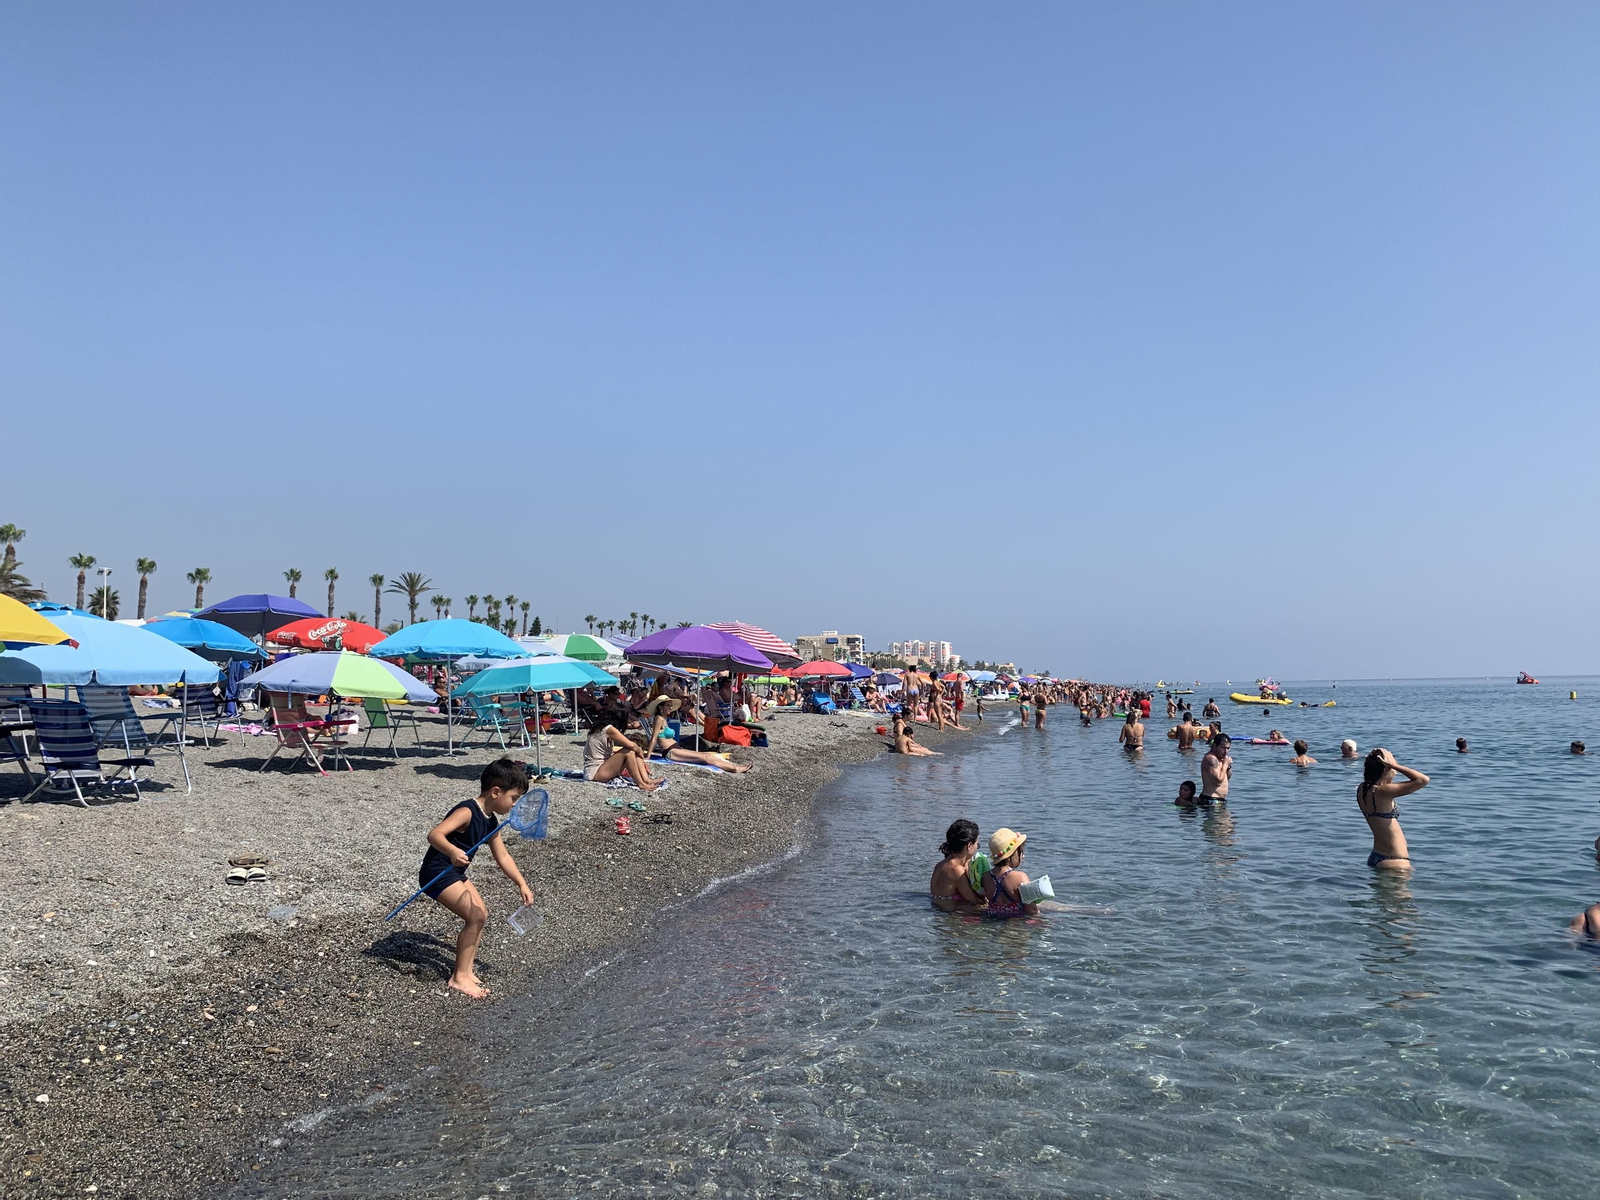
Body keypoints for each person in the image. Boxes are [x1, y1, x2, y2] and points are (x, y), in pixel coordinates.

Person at [419, 757, 537, 999]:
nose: (514, 805)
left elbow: (502, 856)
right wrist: (452, 851)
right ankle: (459, 977)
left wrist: (522, 883)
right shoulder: (467, 811)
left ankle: (467, 970)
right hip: (436, 872)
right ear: (496, 792)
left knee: (482, 914)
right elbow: (435, 834)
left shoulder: (491, 821)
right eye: (514, 798)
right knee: (474, 915)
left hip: (455, 873)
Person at [1356, 747, 1430, 870]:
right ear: (1386, 769)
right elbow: (1423, 780)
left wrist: (1391, 765)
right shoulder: (1383, 791)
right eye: (1393, 769)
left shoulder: (1362, 789)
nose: (1396, 772)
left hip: (1376, 856)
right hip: (1394, 861)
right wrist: (1395, 765)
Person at [583, 721, 662, 791]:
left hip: (600, 769)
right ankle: (641, 784)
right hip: (594, 773)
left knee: (634, 751)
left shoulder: (600, 730)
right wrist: (640, 751)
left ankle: (646, 780)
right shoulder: (609, 729)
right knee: (630, 751)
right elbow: (631, 745)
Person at [979, 828, 1038, 918]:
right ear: (1013, 854)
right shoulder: (1020, 877)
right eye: (1021, 852)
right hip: (1016, 924)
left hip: (994, 921)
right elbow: (1032, 909)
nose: (1023, 856)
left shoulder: (986, 877)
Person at [929, 819, 986, 911]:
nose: (977, 848)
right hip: (953, 918)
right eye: (977, 844)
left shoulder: (941, 864)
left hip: (941, 914)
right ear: (969, 845)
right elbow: (976, 902)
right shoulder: (956, 870)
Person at [1200, 733, 1232, 804]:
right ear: (1214, 746)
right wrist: (1225, 765)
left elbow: (1227, 777)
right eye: (1223, 748)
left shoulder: (1221, 758)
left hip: (1219, 800)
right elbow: (1218, 782)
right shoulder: (1211, 758)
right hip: (1211, 800)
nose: (1226, 751)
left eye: (1228, 748)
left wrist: (1228, 766)